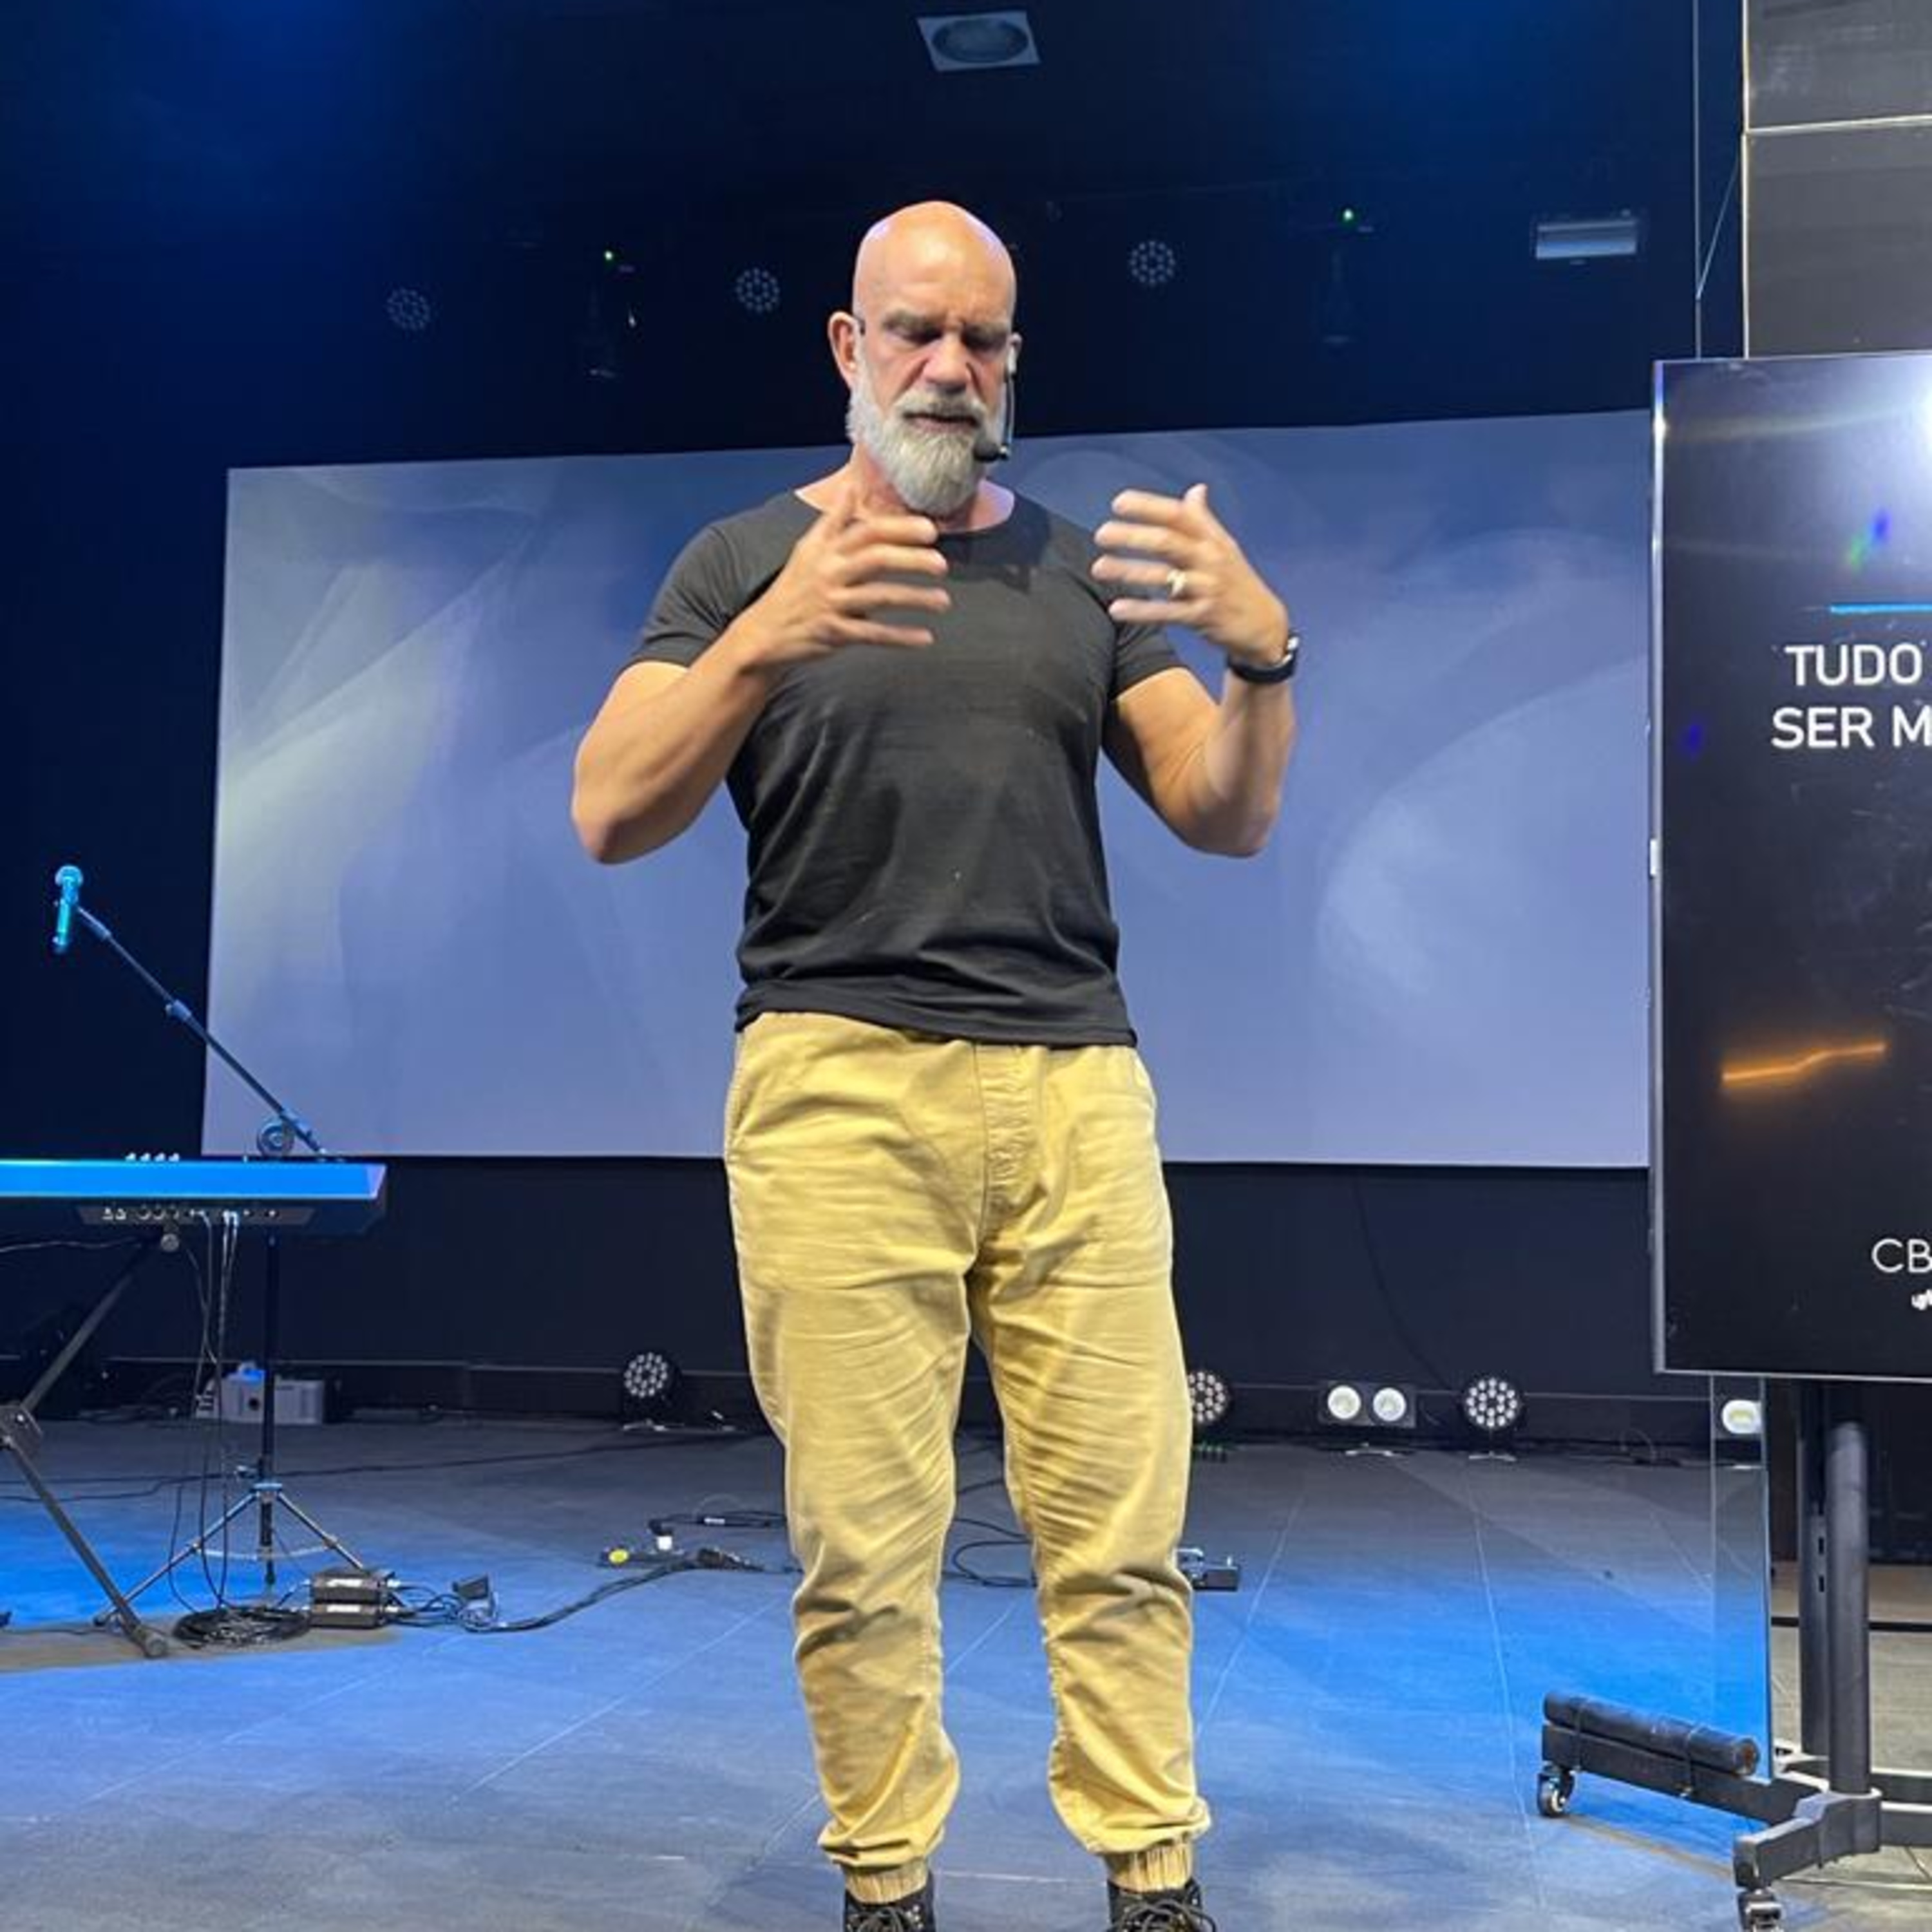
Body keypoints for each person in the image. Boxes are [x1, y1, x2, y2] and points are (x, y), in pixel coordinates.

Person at [572, 201, 1298, 1932]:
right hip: (836, 1089)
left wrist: (1263, 655)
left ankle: (1153, 1879)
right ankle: (886, 1884)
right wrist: (768, 637)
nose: (949, 367)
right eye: (916, 331)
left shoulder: (1076, 575)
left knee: (1121, 1534)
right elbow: (610, 809)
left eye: (982, 338)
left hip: (1073, 1094)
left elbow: (1223, 813)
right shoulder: (742, 561)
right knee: (863, 1546)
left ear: (1015, 359)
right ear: (851, 347)